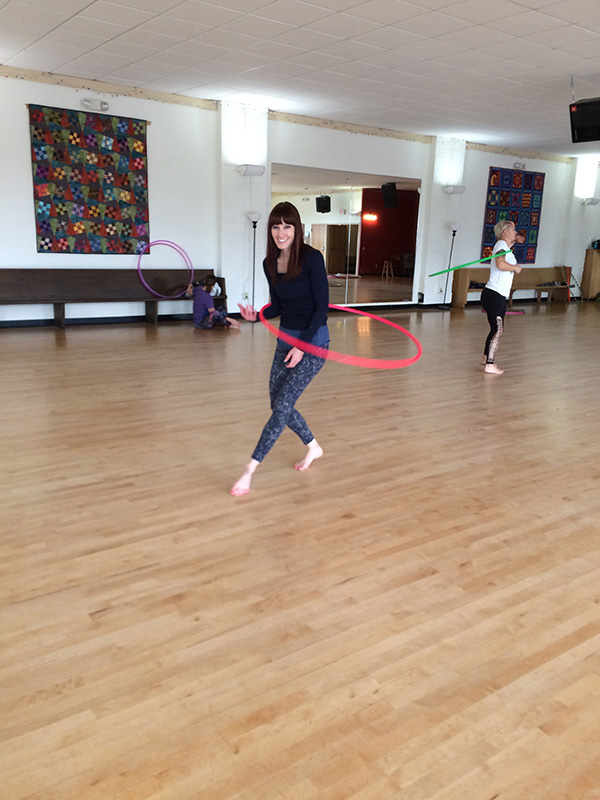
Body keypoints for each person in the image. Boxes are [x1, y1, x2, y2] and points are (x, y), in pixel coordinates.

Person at [231, 201, 329, 496]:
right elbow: (278, 305)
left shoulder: (312, 258)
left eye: (287, 226)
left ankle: (249, 470)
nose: (281, 232)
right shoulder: (269, 263)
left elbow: (321, 308)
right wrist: (255, 317)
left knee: (282, 407)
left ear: (297, 229)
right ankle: (313, 447)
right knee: (279, 404)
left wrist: (302, 347)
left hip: (313, 344)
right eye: (276, 226)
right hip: (285, 341)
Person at [481, 220, 523, 375]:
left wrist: (516, 240)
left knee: (494, 328)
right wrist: (516, 268)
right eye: (513, 230)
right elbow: (500, 264)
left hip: (495, 294)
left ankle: (487, 358)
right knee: (498, 330)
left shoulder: (504, 247)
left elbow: (506, 252)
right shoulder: (500, 246)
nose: (516, 232)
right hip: (494, 295)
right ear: (505, 231)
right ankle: (490, 364)